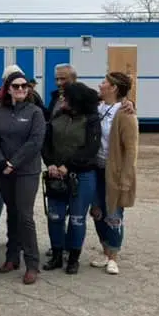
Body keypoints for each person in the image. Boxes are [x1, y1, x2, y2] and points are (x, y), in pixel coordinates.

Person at [0, 71, 46, 284]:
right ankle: (12, 257)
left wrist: (14, 163)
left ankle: (32, 263)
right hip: (4, 171)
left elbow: (35, 142)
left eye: (24, 85)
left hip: (26, 171)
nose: (21, 89)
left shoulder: (35, 113)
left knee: (24, 215)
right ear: (8, 89)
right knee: (12, 214)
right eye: (16, 86)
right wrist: (1, 162)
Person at [41, 82, 102, 275]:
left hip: (82, 175)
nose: (62, 100)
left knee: (77, 219)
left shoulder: (91, 119)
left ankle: (73, 258)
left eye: (65, 97)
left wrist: (69, 166)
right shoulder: (58, 117)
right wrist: (50, 163)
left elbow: (91, 149)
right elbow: (46, 143)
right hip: (56, 175)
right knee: (55, 216)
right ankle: (57, 254)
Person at [90, 72, 139, 275]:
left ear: (114, 88)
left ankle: (114, 256)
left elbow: (131, 149)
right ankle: (104, 250)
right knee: (97, 211)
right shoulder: (98, 106)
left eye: (104, 83)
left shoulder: (125, 113)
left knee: (114, 213)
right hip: (95, 169)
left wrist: (126, 178)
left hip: (114, 172)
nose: (100, 85)